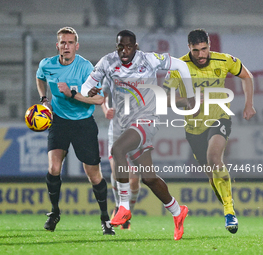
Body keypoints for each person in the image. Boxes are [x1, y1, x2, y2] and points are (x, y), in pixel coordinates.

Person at [58, 30, 196, 240]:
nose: (124, 51)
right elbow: (86, 87)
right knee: (149, 178)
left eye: (128, 47)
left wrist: (190, 94)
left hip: (146, 119)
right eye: (120, 47)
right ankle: (178, 211)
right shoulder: (107, 62)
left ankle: (123, 207)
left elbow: (181, 65)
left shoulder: (149, 59)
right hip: (124, 123)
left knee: (117, 149)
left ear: (136, 47)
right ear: (116, 47)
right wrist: (89, 92)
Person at [164, 28, 256, 234]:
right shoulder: (178, 66)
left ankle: (229, 212)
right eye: (195, 50)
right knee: (211, 175)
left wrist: (248, 104)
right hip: (193, 127)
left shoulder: (224, 61)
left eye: (204, 49)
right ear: (189, 48)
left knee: (215, 158)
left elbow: (247, 76)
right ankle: (227, 205)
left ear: (209, 46)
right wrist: (186, 101)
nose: (201, 55)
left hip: (219, 118)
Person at [36, 26, 115, 235]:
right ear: (57, 46)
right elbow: (40, 77)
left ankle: (105, 218)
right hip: (59, 121)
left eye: (70, 42)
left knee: (94, 175)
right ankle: (54, 212)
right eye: (63, 42)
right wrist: (44, 99)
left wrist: (73, 94)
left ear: (76, 46)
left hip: (83, 123)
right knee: (54, 168)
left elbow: (99, 99)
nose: (66, 46)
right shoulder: (47, 64)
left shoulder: (86, 68)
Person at [100, 80, 140, 230]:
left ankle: (128, 214)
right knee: (117, 171)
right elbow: (102, 96)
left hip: (137, 133)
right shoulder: (111, 73)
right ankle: (119, 208)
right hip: (116, 134)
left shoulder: (144, 73)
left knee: (134, 180)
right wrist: (105, 110)